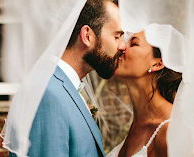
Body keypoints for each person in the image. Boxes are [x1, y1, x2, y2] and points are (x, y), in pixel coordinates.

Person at [9, 0, 125, 156]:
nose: (122, 46)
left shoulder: (65, 86)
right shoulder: (46, 94)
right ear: (87, 36)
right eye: (117, 36)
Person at [107, 30, 182, 157]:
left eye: (134, 44)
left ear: (157, 63)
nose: (122, 47)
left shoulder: (172, 129)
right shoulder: (137, 123)